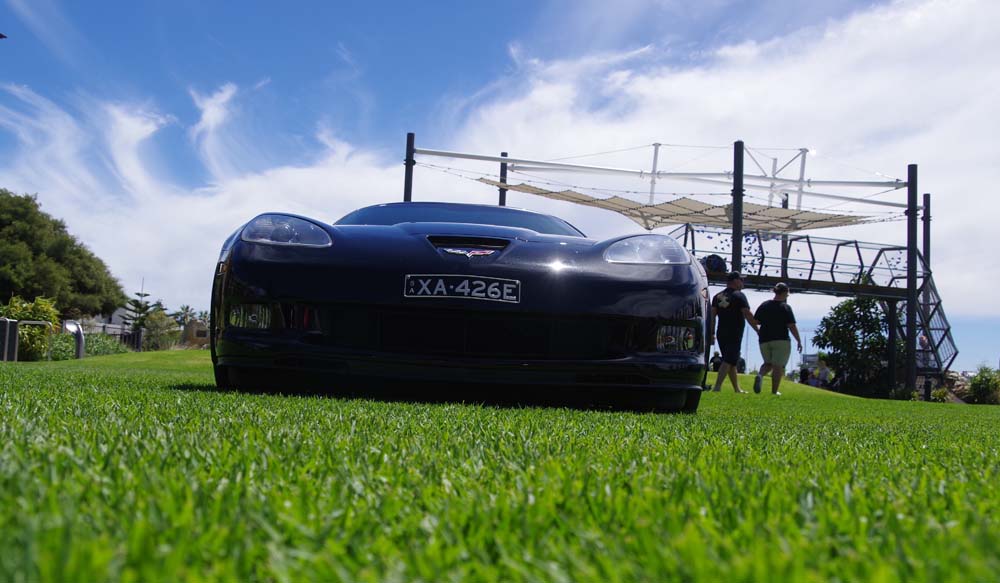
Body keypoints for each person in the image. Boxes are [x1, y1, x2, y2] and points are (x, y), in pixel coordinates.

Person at [709, 272, 759, 393]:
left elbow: (712, 316)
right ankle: (717, 387)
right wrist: (758, 330)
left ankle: (737, 389)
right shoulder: (739, 295)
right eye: (741, 280)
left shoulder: (717, 296)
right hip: (734, 332)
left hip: (721, 332)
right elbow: (747, 314)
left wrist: (711, 333)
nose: (743, 283)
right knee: (728, 360)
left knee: (731, 360)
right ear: (735, 281)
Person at [752, 282, 802, 396]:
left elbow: (756, 321)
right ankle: (774, 391)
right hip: (781, 340)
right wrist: (798, 340)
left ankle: (760, 375)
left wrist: (760, 329)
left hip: (764, 339)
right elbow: (792, 326)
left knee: (768, 363)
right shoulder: (785, 307)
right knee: (778, 366)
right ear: (784, 293)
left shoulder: (764, 305)